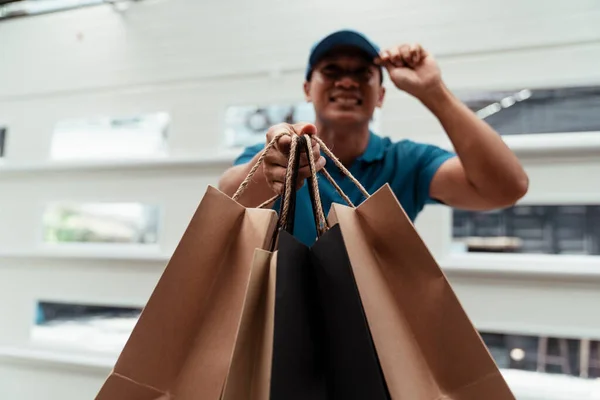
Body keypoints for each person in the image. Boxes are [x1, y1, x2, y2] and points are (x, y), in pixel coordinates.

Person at [218, 29, 529, 246]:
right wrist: (273, 163)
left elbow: (504, 188)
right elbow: (228, 199)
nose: (347, 82)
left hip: (372, 330)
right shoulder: (279, 155)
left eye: (362, 74)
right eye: (331, 70)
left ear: (380, 95)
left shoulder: (406, 162)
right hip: (281, 325)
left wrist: (434, 92)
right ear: (307, 90)